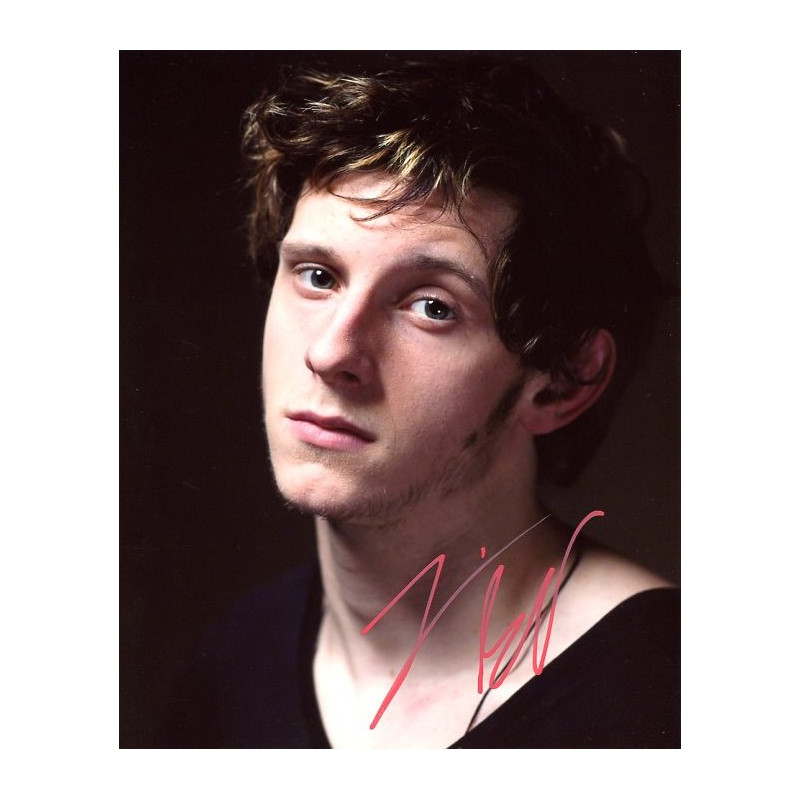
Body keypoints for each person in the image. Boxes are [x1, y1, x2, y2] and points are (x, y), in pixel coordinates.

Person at [163, 54, 679, 749]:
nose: (331, 353)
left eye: (433, 306)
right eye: (318, 276)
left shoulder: (667, 692)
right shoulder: (232, 663)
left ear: (563, 381)